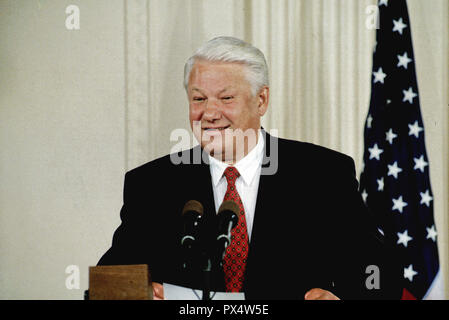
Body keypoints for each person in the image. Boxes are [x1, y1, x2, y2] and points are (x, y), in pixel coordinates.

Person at [98, 36, 402, 300]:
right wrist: (139, 293)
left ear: (261, 100)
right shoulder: (153, 184)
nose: (210, 113)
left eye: (226, 98)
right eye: (199, 99)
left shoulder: (322, 173)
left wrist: (343, 297)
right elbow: (110, 280)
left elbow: (378, 271)